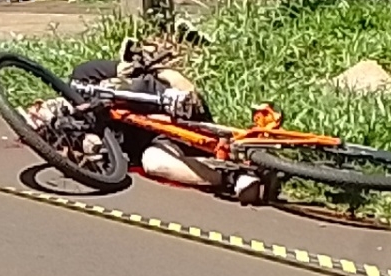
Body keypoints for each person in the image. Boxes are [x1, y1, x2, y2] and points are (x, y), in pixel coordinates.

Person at [27, 36, 266, 203]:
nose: (43, 114)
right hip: (159, 139)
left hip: (172, 105)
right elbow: (99, 160)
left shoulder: (83, 76)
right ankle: (234, 179)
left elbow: (151, 70)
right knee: (154, 162)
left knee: (133, 90)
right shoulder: (75, 134)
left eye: (40, 110)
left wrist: (183, 87)